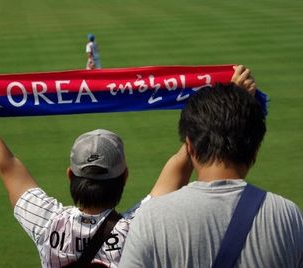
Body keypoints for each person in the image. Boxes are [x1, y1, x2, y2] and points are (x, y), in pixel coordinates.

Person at [0, 66, 262, 267]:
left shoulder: (46, 223)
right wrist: (231, 101)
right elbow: (182, 165)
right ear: (124, 176)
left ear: (70, 174)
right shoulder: (139, 226)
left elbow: (4, 164)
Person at [119, 67, 303, 267]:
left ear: (189, 146)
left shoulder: (151, 219)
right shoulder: (288, 215)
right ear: (256, 147)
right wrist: (235, 107)